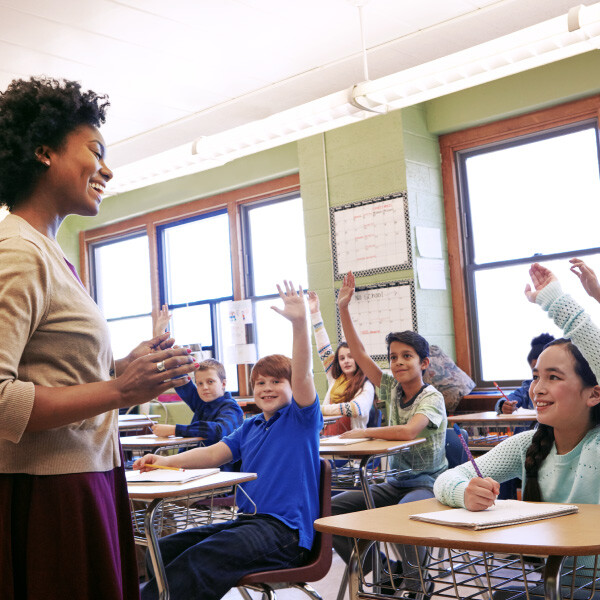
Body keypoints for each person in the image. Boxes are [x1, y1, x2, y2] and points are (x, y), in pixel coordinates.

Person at [0, 76, 198, 600]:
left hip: (86, 476)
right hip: (48, 492)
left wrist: (116, 372)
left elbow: (51, 375)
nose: (107, 169)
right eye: (95, 151)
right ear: (43, 152)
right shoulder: (17, 251)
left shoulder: (51, 252)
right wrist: (118, 391)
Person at [134, 281, 323, 600]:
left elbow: (303, 374)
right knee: (164, 550)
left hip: (286, 533)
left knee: (200, 559)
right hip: (248, 522)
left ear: (292, 388)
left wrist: (300, 323)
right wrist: (165, 461)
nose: (266, 387)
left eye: (277, 381)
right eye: (260, 382)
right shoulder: (251, 427)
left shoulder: (300, 420)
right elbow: (212, 454)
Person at [434, 263, 600, 595]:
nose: (537, 388)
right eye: (537, 376)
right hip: (556, 588)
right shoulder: (528, 444)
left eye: (553, 377)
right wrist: (463, 493)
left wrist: (557, 302)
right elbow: (446, 480)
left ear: (594, 393)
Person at [332, 271, 448, 590]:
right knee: (331, 510)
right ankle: (387, 569)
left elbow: (411, 431)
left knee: (403, 515)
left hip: (428, 484)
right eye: (394, 357)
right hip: (394, 482)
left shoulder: (432, 397)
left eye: (407, 357)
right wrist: (343, 308)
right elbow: (359, 355)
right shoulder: (390, 389)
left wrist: (363, 433)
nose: (398, 363)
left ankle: (418, 583)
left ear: (424, 363)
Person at [151, 359, 243, 470]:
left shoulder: (232, 408)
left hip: (217, 473)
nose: (204, 387)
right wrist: (173, 361)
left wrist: (175, 430)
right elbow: (183, 384)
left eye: (210, 382)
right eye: (200, 383)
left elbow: (218, 431)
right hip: (191, 468)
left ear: (223, 383)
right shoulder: (202, 402)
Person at [308, 290, 375, 431]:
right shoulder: (335, 379)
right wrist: (315, 313)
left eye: (351, 357)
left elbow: (355, 408)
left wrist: (320, 409)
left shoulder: (366, 385)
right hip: (329, 439)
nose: (346, 361)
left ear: (358, 359)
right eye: (342, 358)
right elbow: (323, 347)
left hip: (352, 445)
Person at [495, 333, 555, 415]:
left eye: (550, 375)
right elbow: (505, 401)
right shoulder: (526, 390)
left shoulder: (561, 390)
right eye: (536, 376)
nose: (539, 387)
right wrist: (504, 405)